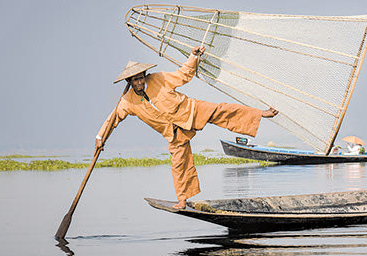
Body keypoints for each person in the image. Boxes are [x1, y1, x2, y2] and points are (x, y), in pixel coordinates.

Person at [95, 45, 278, 209]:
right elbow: (113, 120)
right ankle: (182, 200)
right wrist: (100, 139)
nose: (140, 82)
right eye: (135, 80)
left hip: (189, 110)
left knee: (221, 110)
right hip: (172, 132)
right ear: (130, 82)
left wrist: (193, 57)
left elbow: (183, 75)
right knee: (179, 163)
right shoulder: (127, 102)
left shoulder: (158, 79)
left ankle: (260, 113)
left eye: (141, 78)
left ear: (144, 76)